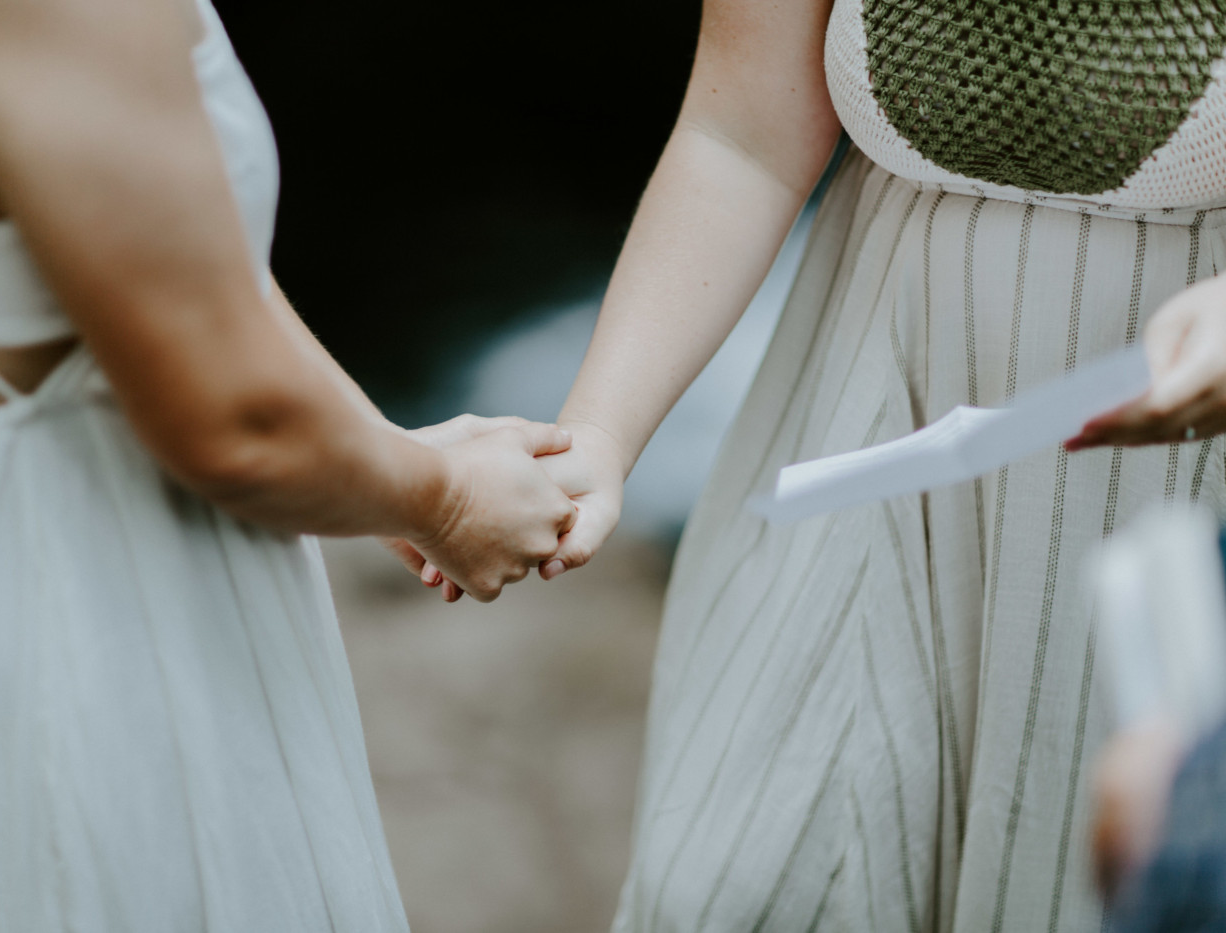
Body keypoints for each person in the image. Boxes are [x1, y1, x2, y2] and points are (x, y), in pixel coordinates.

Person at [431, 0, 1226, 928]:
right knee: (742, 879)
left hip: (1176, 425)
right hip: (873, 391)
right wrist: (598, 435)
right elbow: (740, 136)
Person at [0, 0, 578, 927]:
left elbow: (160, 252)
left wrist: (358, 453)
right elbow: (234, 427)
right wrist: (447, 500)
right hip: (83, 612)